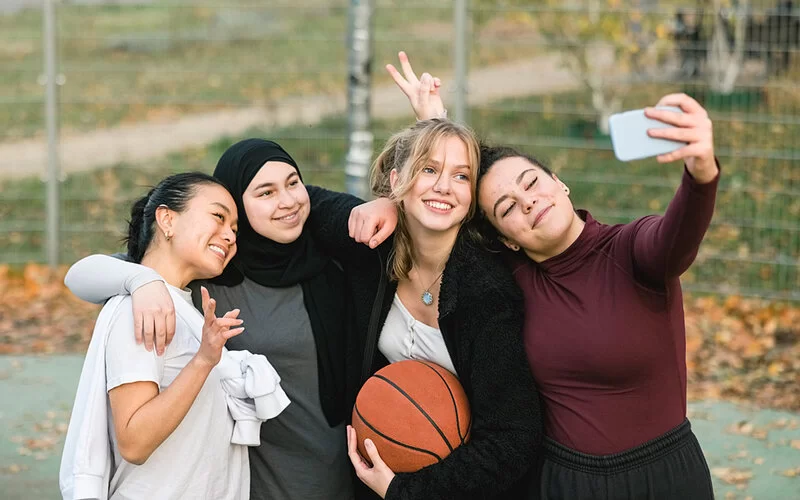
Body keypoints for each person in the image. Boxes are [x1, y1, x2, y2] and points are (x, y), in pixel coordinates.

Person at [359, 52, 720, 499]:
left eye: (530, 183)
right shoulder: (506, 276)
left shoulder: (633, 251)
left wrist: (701, 172)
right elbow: (441, 212)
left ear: (559, 182)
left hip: (662, 478)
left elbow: (677, 236)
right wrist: (394, 196)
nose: (526, 202)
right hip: (562, 482)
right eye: (507, 207)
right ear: (505, 238)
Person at [63, 141, 370, 500]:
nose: (286, 200)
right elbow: (83, 274)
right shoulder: (191, 285)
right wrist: (139, 281)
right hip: (246, 481)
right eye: (264, 192)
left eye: (293, 183)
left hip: (323, 470)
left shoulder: (333, 264)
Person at [304, 118, 542, 500]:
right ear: (398, 179)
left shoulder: (486, 293)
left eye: (461, 176)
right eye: (428, 170)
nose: (444, 187)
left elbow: (513, 439)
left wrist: (405, 491)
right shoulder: (374, 247)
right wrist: (371, 206)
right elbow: (298, 200)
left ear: (471, 197)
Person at [60, 172, 290, 500]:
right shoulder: (143, 308)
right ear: (167, 219)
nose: (229, 235)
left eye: (234, 229)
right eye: (218, 216)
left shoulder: (179, 307)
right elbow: (135, 441)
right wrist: (203, 362)